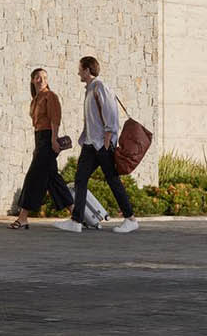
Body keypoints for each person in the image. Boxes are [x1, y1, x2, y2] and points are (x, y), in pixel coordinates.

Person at [53, 56, 138, 234]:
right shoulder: (90, 89)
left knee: (112, 180)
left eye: (80, 69)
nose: (78, 72)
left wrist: (108, 137)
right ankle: (76, 221)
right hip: (90, 144)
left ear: (87, 70)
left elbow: (111, 113)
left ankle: (130, 219)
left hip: (102, 145)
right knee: (80, 179)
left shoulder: (100, 87)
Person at [9, 68, 73, 229]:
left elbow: (55, 118)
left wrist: (54, 139)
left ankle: (23, 217)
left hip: (48, 138)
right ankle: (77, 215)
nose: (41, 80)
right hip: (40, 140)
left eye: (44, 77)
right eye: (38, 77)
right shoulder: (35, 99)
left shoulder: (50, 96)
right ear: (32, 80)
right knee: (52, 178)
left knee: (33, 177)